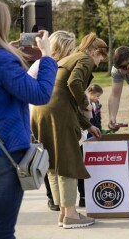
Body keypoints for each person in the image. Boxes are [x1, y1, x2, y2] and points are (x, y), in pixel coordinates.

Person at [0, 0, 57, 239]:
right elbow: (40, 94)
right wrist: (47, 57)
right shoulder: (1, 60)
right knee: (2, 230)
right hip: (4, 154)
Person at [31, 33, 108, 229]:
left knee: (53, 162)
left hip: (42, 109)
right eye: (100, 58)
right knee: (68, 160)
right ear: (95, 52)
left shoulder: (67, 58)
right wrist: (87, 105)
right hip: (58, 112)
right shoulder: (84, 58)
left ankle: (64, 213)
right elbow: (74, 84)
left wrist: (88, 126)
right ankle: (72, 215)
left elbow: (66, 95)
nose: (98, 64)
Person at [27, 30, 77, 212]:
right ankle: (69, 213)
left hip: (37, 119)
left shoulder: (38, 65)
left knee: (53, 166)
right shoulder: (53, 66)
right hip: (53, 118)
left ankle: (63, 209)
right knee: (65, 164)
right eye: (70, 48)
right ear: (61, 48)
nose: (73, 52)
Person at [77, 83, 104, 207]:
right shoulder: (84, 103)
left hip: (92, 138)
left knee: (91, 168)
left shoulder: (96, 105)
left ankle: (91, 193)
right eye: (97, 96)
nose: (97, 98)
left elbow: (97, 121)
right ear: (90, 92)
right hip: (82, 139)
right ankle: (83, 196)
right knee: (82, 168)